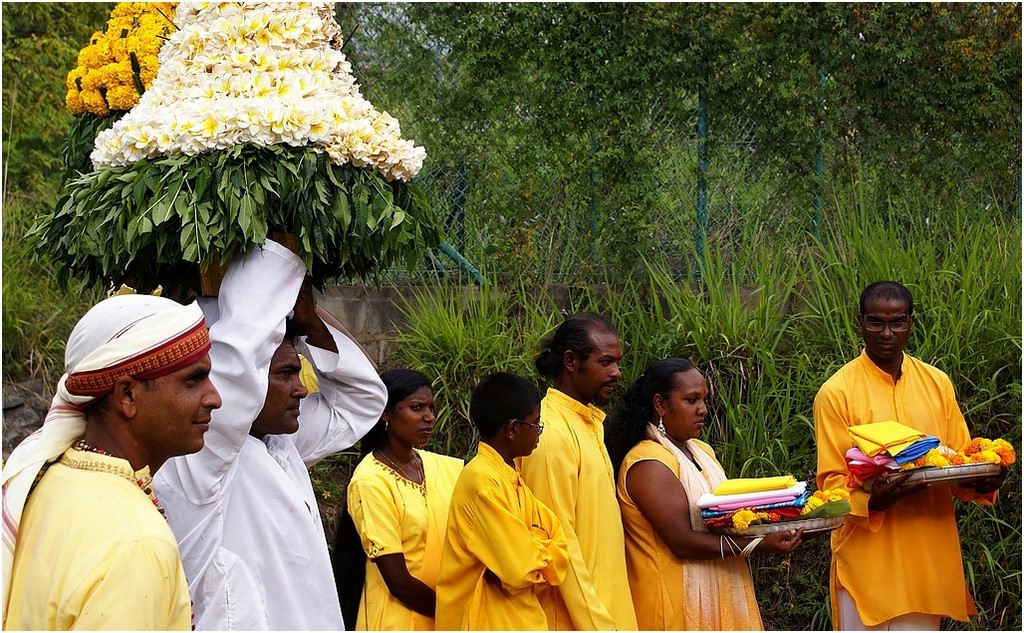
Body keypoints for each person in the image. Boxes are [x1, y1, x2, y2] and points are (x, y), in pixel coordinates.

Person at [153, 239, 387, 630]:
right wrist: (278, 254)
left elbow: (362, 400)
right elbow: (237, 359)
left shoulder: (281, 442)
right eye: (284, 374)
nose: (301, 389)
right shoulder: (201, 453)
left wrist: (310, 320)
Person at [2, 293, 221, 630]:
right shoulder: (137, 546)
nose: (214, 398)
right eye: (193, 379)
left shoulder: (46, 481)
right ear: (127, 396)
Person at [814, 281, 1006, 630]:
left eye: (897, 322)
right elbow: (832, 487)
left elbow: (959, 462)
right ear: (860, 322)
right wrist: (873, 500)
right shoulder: (836, 392)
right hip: (868, 564)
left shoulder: (936, 382)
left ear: (911, 324)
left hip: (928, 562)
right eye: (876, 322)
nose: (887, 333)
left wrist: (986, 478)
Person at [604, 358, 803, 630]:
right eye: (691, 400)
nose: (703, 410)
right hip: (675, 605)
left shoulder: (702, 451)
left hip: (720, 587)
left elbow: (725, 518)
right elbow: (682, 541)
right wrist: (759, 543)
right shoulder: (648, 463)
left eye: (704, 399)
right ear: (660, 404)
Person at [519, 312, 637, 630]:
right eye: (606, 362)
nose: (617, 372)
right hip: (572, 619)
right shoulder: (550, 434)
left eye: (617, 362)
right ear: (571, 361)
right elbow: (557, 543)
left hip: (605, 609)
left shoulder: (588, 424)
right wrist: (597, 624)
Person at [435, 372, 569, 630]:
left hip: (520, 617)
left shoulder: (509, 477)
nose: (539, 432)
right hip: (485, 620)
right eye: (536, 424)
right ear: (512, 429)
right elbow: (520, 570)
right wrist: (532, 548)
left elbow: (560, 543)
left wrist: (529, 547)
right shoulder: (482, 482)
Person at [333, 368, 464, 630]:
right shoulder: (371, 481)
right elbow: (399, 583)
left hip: (445, 612)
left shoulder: (444, 468)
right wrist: (457, 612)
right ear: (386, 413)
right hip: (399, 618)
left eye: (431, 408)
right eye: (417, 408)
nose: (430, 417)